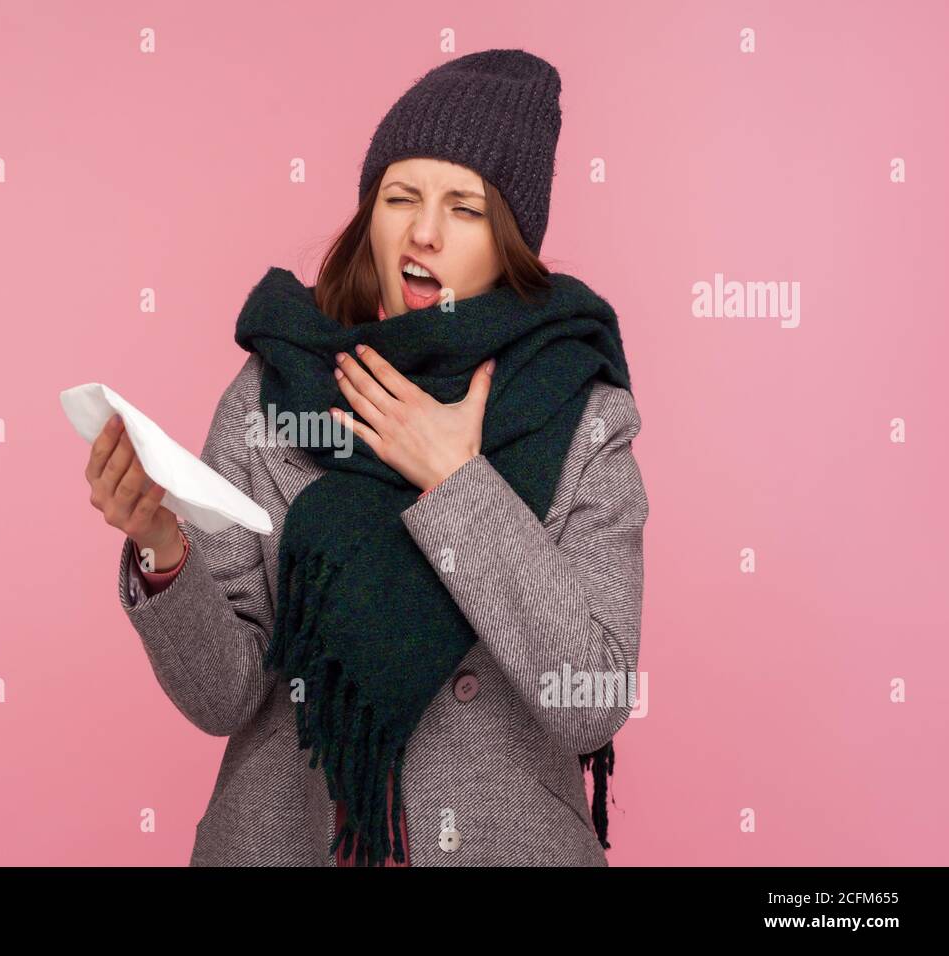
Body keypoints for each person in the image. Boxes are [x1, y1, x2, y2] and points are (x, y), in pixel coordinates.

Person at [87, 49, 648, 866]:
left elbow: (592, 698)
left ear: (509, 242)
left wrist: (457, 481)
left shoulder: (581, 411)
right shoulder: (277, 386)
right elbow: (224, 696)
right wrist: (160, 548)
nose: (424, 232)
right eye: (400, 198)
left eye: (464, 208)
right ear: (370, 216)